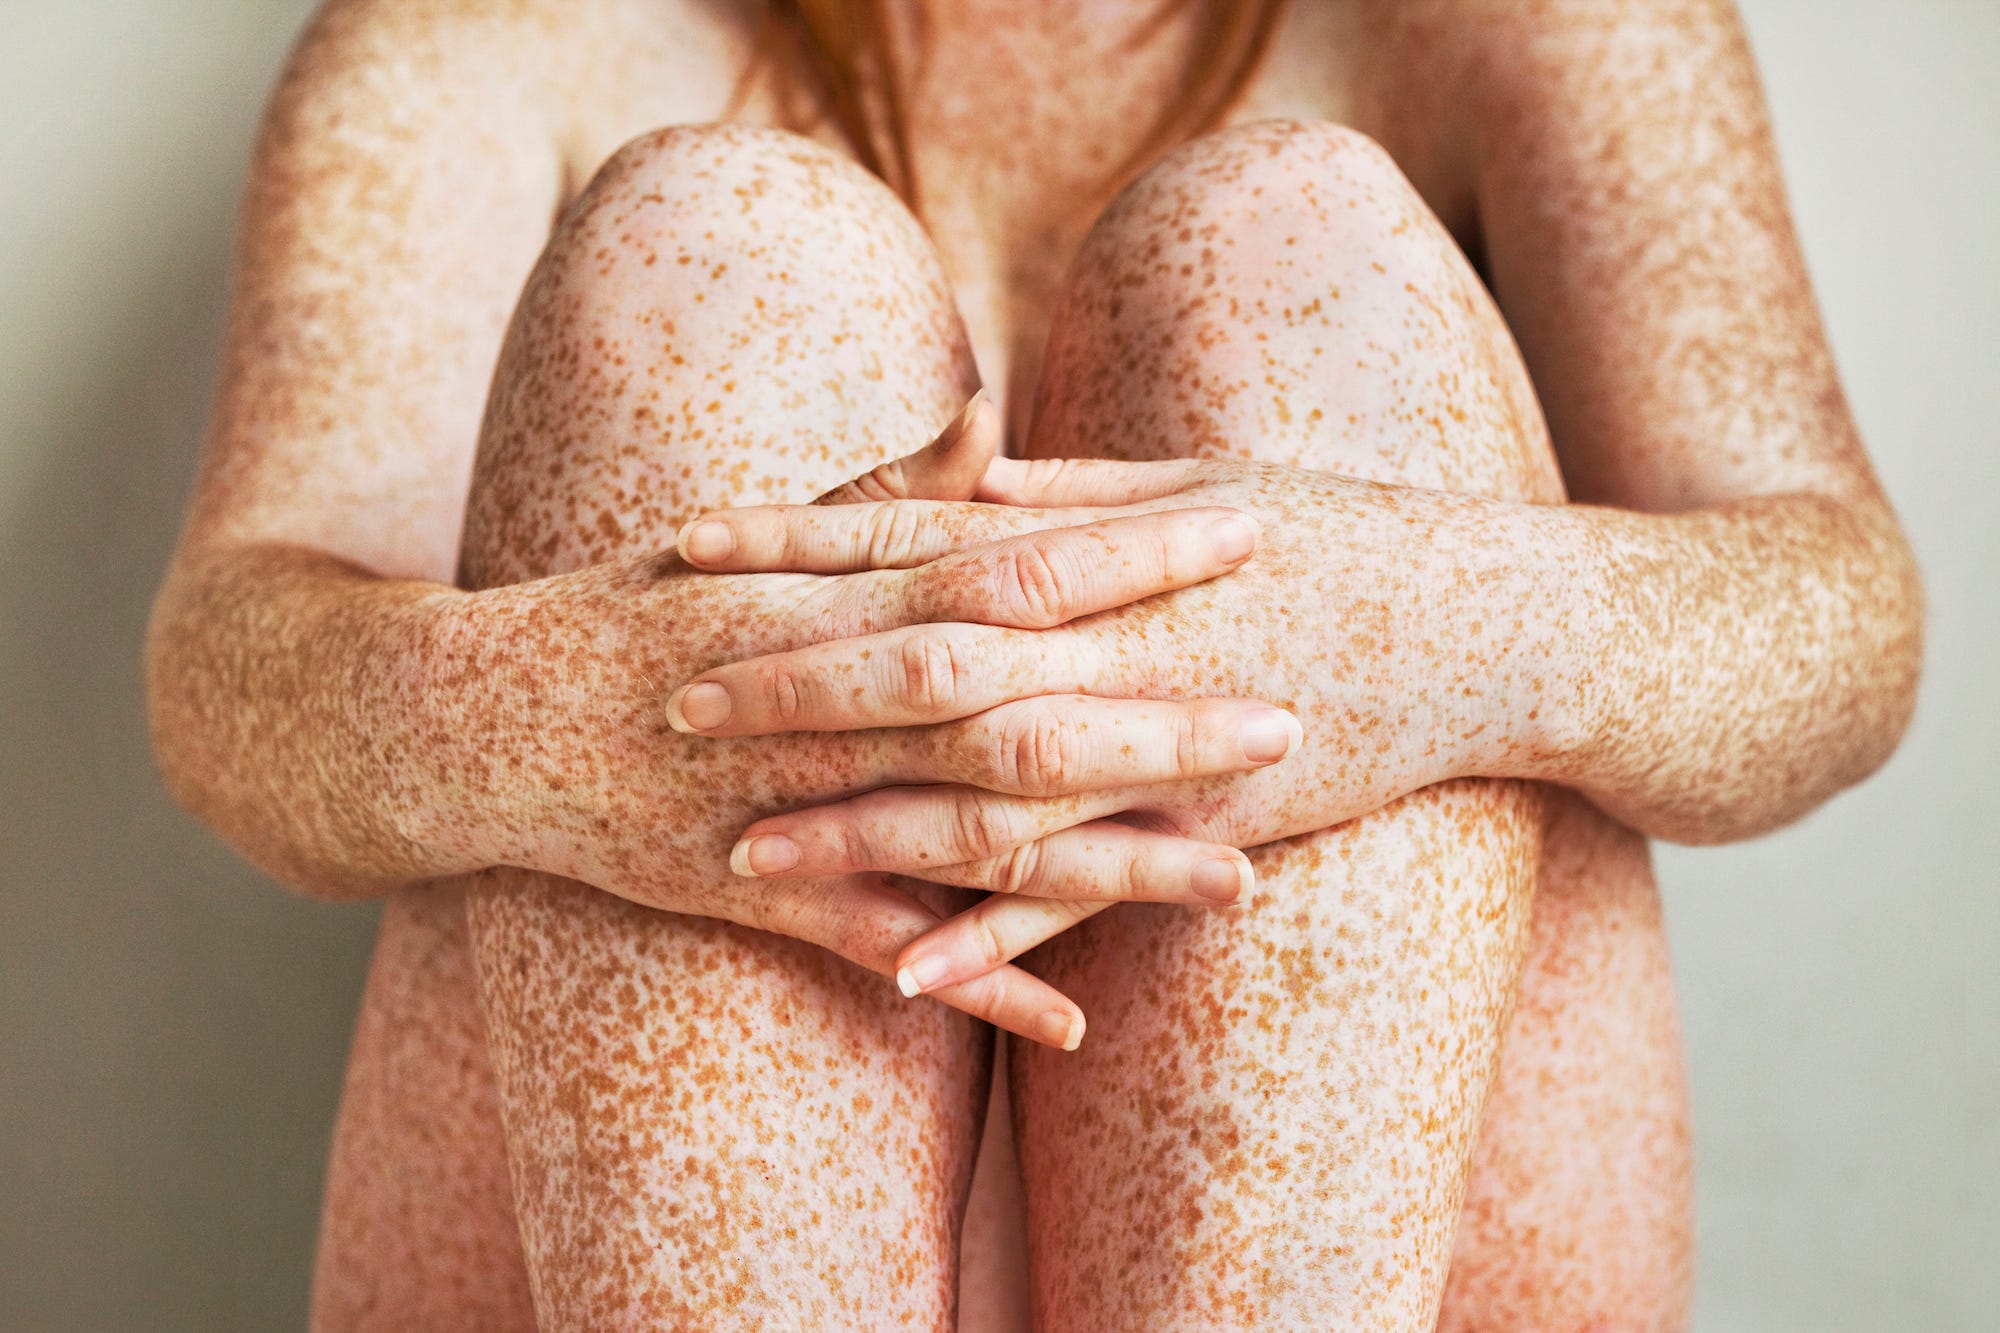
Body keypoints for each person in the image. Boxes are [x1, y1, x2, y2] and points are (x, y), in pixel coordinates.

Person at [144, 0, 1922, 1328]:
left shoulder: (1529, 22)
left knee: (1293, 247)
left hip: (1346, 1236)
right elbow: (230, 662)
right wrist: (569, 711)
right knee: (715, 264)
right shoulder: (489, 33)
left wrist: (1435, 625)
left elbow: (1844, 616)